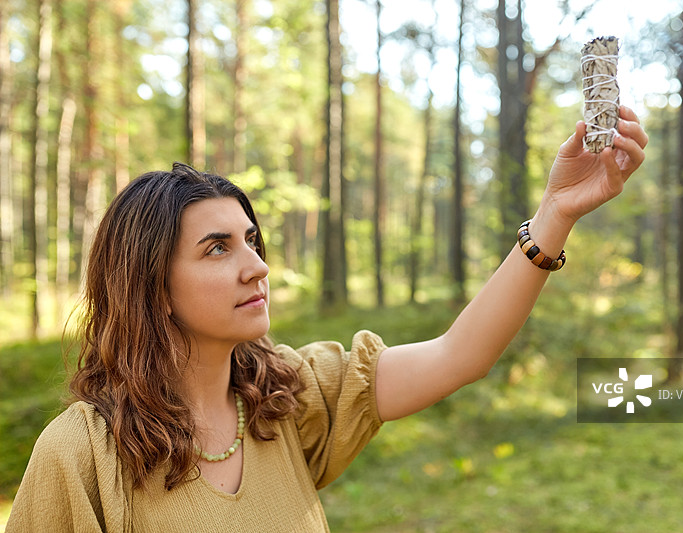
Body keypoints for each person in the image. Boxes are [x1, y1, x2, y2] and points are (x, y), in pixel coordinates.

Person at [6, 106, 647, 532]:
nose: (255, 266)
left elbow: (461, 355)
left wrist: (555, 215)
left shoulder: (287, 397)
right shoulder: (83, 454)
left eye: (251, 241)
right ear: (149, 282)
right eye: (217, 248)